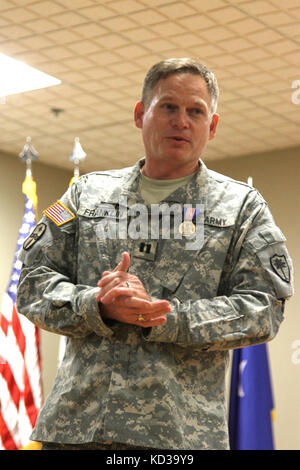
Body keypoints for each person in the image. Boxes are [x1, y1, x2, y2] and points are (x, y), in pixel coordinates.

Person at [16, 58, 293, 450]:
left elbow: (264, 309)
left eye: (196, 111)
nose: (182, 121)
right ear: (140, 113)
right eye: (168, 107)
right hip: (75, 430)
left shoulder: (243, 209)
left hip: (178, 437)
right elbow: (30, 282)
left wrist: (167, 317)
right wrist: (94, 304)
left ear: (211, 127)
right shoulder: (84, 195)